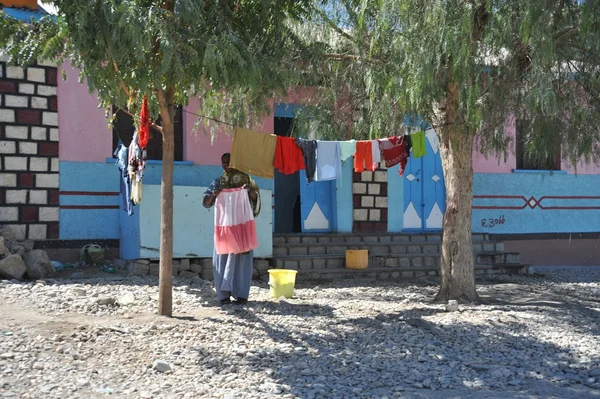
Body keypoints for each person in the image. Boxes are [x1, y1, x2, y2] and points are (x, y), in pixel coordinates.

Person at [203, 153, 261, 305]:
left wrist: (249, 192)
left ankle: (242, 296)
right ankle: (223, 296)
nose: (226, 165)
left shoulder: (246, 180)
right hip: (224, 227)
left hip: (241, 226)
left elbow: (256, 199)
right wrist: (214, 195)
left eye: (229, 162)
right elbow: (206, 202)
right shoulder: (218, 182)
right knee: (221, 259)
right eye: (223, 162)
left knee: (242, 261)